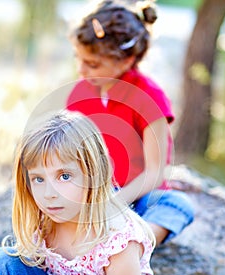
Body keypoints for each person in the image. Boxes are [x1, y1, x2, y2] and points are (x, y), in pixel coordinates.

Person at [0, 110, 156, 275]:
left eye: (64, 176)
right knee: (0, 262)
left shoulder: (116, 240)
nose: (49, 194)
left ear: (93, 174)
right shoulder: (46, 223)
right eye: (38, 179)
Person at [66, 0, 194, 246]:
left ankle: (134, 247)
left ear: (126, 61)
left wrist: (113, 204)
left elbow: (156, 171)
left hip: (137, 196)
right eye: (78, 59)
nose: (81, 70)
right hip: (93, 194)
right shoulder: (79, 95)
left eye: (92, 64)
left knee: (178, 205)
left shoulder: (149, 98)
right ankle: (97, 241)